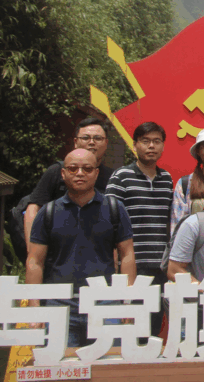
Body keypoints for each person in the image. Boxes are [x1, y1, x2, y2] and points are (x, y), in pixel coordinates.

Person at [26, 149, 134, 347]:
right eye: (73, 168)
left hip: (105, 302)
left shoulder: (114, 208)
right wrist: (35, 307)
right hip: (60, 305)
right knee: (60, 364)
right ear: (63, 173)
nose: (80, 173)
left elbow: (126, 255)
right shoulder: (48, 212)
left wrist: (127, 302)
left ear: (96, 173)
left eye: (87, 169)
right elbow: (35, 261)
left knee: (110, 363)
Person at [105, 122, 174, 335]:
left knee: (152, 328)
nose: (151, 146)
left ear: (163, 146)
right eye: (145, 141)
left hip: (160, 267)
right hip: (131, 266)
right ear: (135, 145)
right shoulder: (121, 177)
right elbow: (108, 221)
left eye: (156, 141)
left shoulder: (167, 180)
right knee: (129, 328)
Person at [23, 117, 116, 248]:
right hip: (57, 250)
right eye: (86, 138)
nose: (91, 142)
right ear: (76, 142)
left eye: (98, 138)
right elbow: (33, 208)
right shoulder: (57, 171)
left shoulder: (113, 177)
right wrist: (32, 249)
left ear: (106, 143)